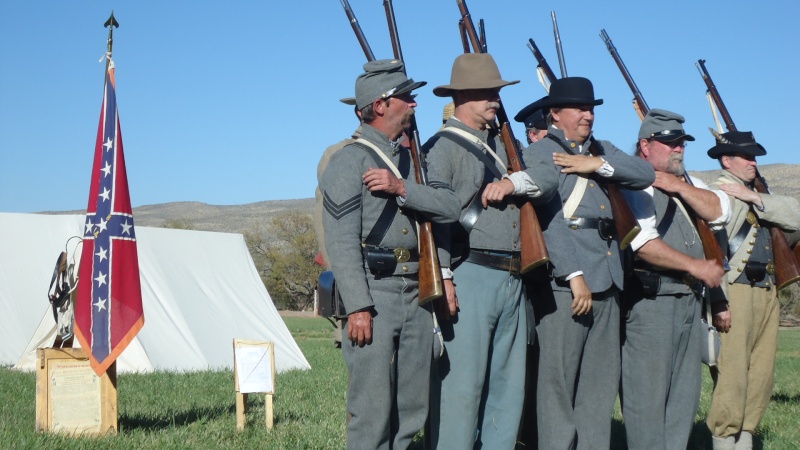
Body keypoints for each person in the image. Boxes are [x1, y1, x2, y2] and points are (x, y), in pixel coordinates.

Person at [319, 59, 460, 450]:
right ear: (380, 106)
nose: (414, 104)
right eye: (406, 98)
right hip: (374, 293)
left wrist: (402, 188)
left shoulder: (412, 161)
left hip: (417, 290)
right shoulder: (348, 161)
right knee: (372, 408)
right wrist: (358, 307)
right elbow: (342, 241)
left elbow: (449, 207)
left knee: (412, 407)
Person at [423, 52, 558, 449]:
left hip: (513, 276)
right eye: (487, 93)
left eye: (497, 92)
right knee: (461, 392)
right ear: (463, 96)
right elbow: (433, 219)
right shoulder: (440, 148)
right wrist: (444, 276)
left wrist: (515, 183)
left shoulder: (506, 144)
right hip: (470, 274)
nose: (496, 100)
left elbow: (549, 175)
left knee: (507, 391)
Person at [528, 76, 654, 449]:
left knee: (598, 387)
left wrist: (595, 164)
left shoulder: (602, 149)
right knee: (559, 387)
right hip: (567, 284)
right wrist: (574, 275)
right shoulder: (537, 153)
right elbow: (549, 219)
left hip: (610, 275)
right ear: (555, 113)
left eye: (591, 108)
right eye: (580, 108)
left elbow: (645, 173)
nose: (588, 114)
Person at [620, 109, 731, 450]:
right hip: (650, 303)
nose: (678, 150)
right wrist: (695, 267)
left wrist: (675, 185)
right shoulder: (632, 184)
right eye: (669, 144)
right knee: (647, 403)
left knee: (683, 401)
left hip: (688, 304)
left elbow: (719, 209)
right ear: (645, 146)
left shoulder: (687, 183)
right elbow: (643, 247)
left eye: (681, 143)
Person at [705, 130, 800, 450]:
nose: (753, 163)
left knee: (761, 375)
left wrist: (758, 198)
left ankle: (746, 439)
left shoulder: (757, 195)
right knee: (732, 375)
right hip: (736, 291)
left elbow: (797, 215)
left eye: (755, 157)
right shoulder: (718, 192)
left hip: (768, 290)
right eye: (746, 157)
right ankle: (723, 439)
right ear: (726, 160)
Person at [314, 97, 361, 347]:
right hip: (360, 279)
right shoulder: (339, 154)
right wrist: (344, 280)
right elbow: (329, 224)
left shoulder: (411, 154)